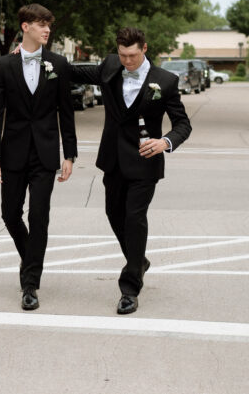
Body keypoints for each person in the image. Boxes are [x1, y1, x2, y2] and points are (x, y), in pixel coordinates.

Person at [70, 27, 191, 314]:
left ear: (145, 49)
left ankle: (129, 288)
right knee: (114, 214)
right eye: (123, 55)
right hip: (113, 159)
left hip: (144, 162)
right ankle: (138, 261)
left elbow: (183, 124)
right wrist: (33, 56)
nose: (127, 61)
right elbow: (73, 72)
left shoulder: (166, 81)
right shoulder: (110, 66)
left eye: (133, 55)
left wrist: (165, 142)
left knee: (134, 217)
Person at [0, 3, 77, 311]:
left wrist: (70, 154)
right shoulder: (5, 66)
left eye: (48, 24)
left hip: (46, 153)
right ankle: (31, 260)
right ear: (25, 27)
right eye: (40, 24)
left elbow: (67, 111)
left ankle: (30, 284)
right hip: (12, 152)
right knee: (10, 214)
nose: (47, 29)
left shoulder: (58, 64)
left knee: (39, 215)